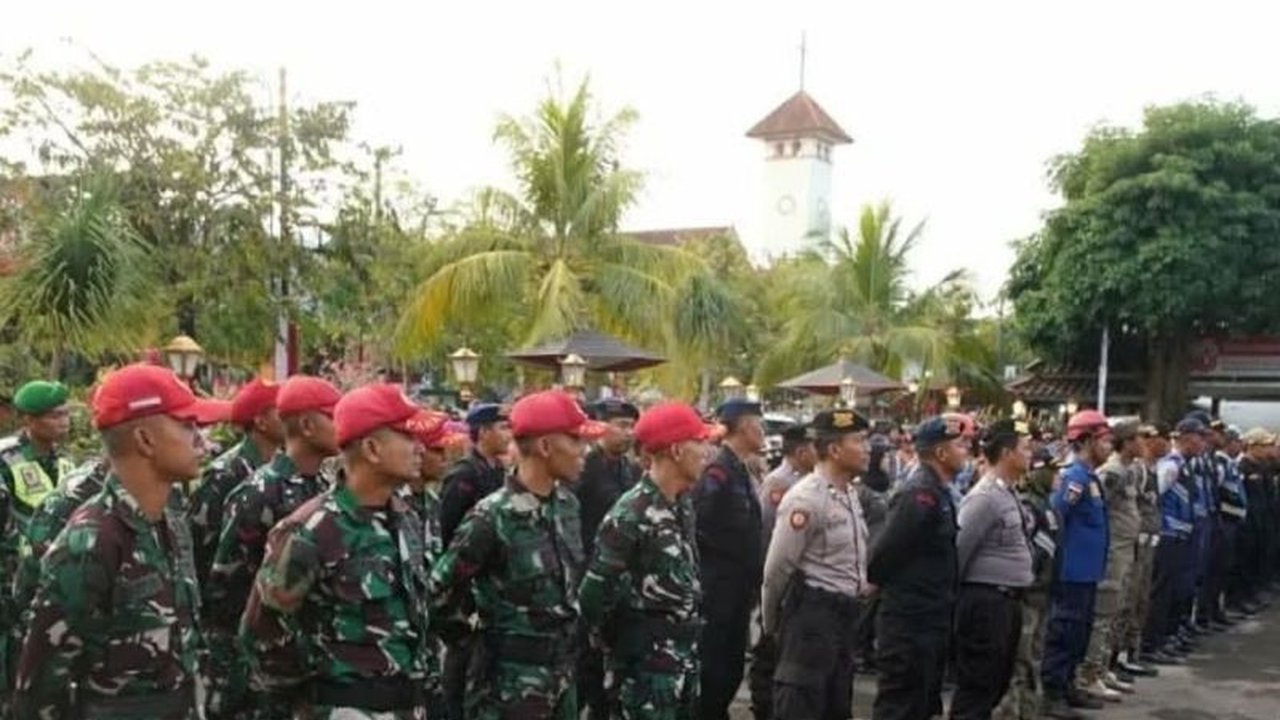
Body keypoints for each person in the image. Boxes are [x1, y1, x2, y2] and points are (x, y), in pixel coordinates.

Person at [14, 364, 223, 719]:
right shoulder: (92, 540)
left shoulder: (171, 519)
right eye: (188, 426)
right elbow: (40, 685)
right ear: (145, 440)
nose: (202, 441)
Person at [241, 383, 432, 719]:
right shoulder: (312, 529)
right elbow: (261, 630)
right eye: (406, 436)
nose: (420, 448)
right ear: (372, 448)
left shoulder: (405, 518)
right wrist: (313, 696)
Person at [431, 390, 605, 720]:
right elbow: (440, 592)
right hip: (507, 691)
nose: (584, 452)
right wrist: (474, 644)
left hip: (561, 681)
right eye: (575, 441)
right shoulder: (492, 517)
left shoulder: (567, 506)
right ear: (544, 446)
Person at [203, 375, 342, 719]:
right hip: (261, 672)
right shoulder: (260, 492)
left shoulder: (324, 487)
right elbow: (225, 590)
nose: (344, 424)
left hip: (312, 667)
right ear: (308, 425)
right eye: (333, 415)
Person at [578, 402, 714, 720]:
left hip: (680, 663)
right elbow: (593, 598)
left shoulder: (681, 506)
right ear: (677, 450)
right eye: (699, 442)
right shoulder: (631, 513)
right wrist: (624, 648)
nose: (706, 452)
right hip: (643, 672)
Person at [761, 408, 871, 720]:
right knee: (801, 703)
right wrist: (771, 626)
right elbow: (777, 570)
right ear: (835, 450)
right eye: (859, 441)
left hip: (844, 615)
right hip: (813, 615)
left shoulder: (847, 492)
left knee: (836, 705)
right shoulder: (806, 498)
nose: (867, 449)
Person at [869, 413, 973, 720]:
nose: (966, 451)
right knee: (900, 701)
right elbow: (887, 551)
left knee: (923, 700)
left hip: (930, 616)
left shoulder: (938, 492)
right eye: (960, 445)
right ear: (941, 452)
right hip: (909, 620)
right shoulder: (920, 494)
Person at [951, 419, 1034, 720]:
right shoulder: (984, 497)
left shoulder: (1006, 492)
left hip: (1006, 602)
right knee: (978, 684)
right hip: (985, 603)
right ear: (1008, 453)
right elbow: (959, 550)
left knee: (995, 682)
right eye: (1025, 448)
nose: (1031, 453)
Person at [693, 398, 766, 720]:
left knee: (732, 665)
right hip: (717, 587)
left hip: (738, 588)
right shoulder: (718, 472)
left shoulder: (739, 469)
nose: (763, 433)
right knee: (714, 667)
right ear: (746, 427)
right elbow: (698, 525)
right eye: (759, 426)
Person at [437, 402, 510, 719]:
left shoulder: (496, 473)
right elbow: (448, 536)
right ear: (483, 432)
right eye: (502, 427)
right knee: (460, 672)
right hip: (464, 597)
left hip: (489, 595)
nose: (508, 434)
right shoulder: (464, 476)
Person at [573, 397, 642, 719]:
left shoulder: (631, 469)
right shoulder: (584, 469)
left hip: (623, 582)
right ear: (598, 426)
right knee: (587, 660)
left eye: (631, 426)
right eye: (621, 425)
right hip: (589, 574)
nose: (628, 433)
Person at [1041, 410, 1112, 714]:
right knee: (1064, 631)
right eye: (1104, 440)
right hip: (1071, 572)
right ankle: (1053, 692)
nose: (1109, 446)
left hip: (1087, 572)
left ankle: (1068, 683)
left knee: (1079, 632)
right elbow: (1057, 520)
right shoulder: (1074, 479)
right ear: (1085, 441)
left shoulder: (1090, 477)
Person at [994, 447, 1068, 720]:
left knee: (1034, 658)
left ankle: (1029, 710)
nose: (1058, 477)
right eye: (1053, 471)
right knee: (1018, 660)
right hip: (1028, 595)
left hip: (1043, 594)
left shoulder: (1048, 505)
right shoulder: (1028, 505)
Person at [187, 377, 283, 588]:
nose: (289, 415)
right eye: (280, 409)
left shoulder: (280, 470)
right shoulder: (225, 474)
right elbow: (200, 546)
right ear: (260, 421)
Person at [750, 422, 814, 720]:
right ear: (802, 451)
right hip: (779, 576)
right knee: (769, 648)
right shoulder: (780, 482)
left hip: (800, 582)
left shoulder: (811, 480)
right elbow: (766, 534)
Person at [1076, 421, 1141, 700]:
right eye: (1138, 437)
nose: (1143, 442)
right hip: (1113, 551)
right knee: (1103, 613)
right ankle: (1090, 672)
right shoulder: (1112, 473)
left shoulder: (1128, 470)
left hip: (1125, 549)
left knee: (1116, 610)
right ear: (1126, 442)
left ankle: (1102, 667)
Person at [1141, 419, 1201, 664]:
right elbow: (1154, 497)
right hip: (1168, 536)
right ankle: (1151, 644)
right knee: (1161, 592)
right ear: (1186, 437)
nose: (1202, 443)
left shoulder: (1184, 465)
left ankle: (1164, 638)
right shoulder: (1171, 466)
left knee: (1175, 590)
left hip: (1180, 536)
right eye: (1199, 437)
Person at [1117, 424, 1165, 677]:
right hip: (1134, 543)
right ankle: (1120, 655)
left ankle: (1131, 651)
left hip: (1149, 541)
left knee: (1141, 599)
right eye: (1143, 437)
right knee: (1128, 599)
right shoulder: (1134, 471)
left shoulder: (1149, 470)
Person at [1234, 428, 1274, 615]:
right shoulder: (1243, 466)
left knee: (1256, 558)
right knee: (1244, 562)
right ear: (1253, 446)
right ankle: (1239, 598)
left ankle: (1252, 593)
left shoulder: (1262, 466)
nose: (1268, 450)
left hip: (1261, 519)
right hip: (1247, 521)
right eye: (1265, 445)